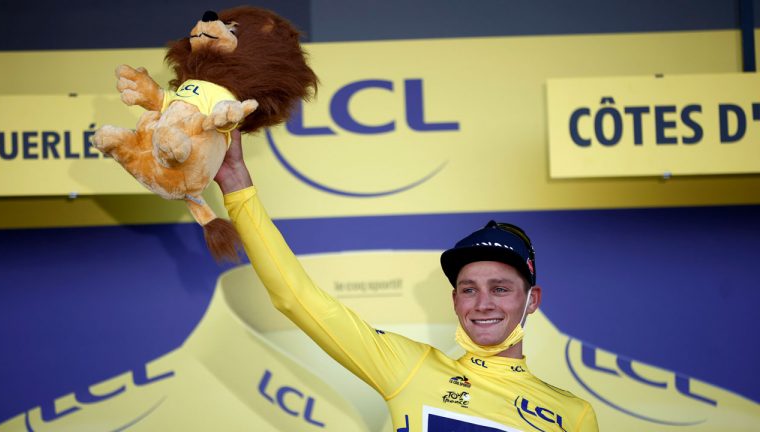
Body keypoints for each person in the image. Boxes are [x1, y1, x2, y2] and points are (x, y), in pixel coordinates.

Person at [215, 130, 599, 431]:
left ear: (531, 300)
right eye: (469, 290)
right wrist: (236, 186)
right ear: (455, 301)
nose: (483, 303)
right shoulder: (410, 368)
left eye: (500, 288)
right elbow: (295, 298)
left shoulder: (573, 414)